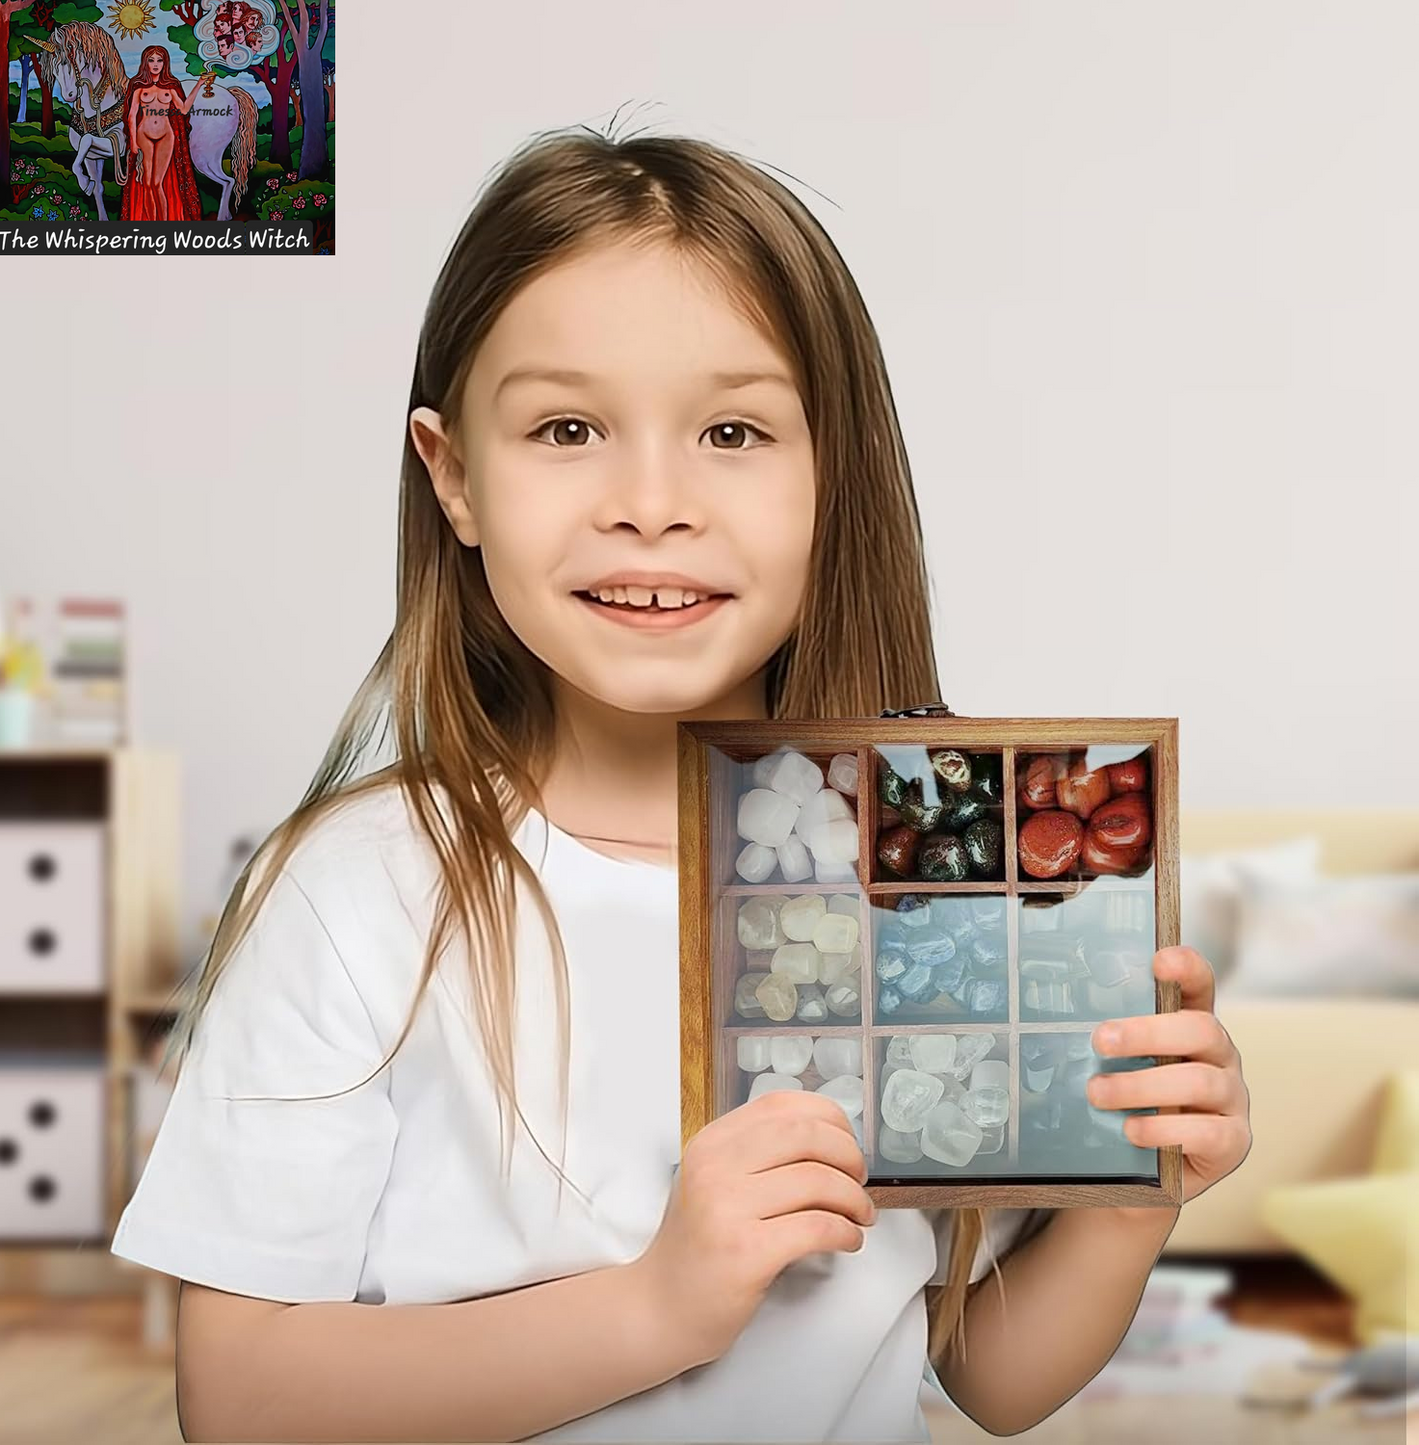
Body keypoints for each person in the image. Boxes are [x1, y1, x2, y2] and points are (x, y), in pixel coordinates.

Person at [108, 128, 1252, 1444]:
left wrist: (1131, 1189)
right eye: (567, 427)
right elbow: (240, 1401)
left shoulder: (927, 873)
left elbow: (986, 1379)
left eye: (732, 429)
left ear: (834, 477)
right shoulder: (351, 891)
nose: (651, 503)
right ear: (455, 474)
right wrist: (655, 1306)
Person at [121, 45, 203, 222]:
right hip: (144, 134)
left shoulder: (171, 85)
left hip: (166, 135)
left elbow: (183, 109)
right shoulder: (138, 86)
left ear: (165, 63)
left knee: (157, 183)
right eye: (151, 60)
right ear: (145, 63)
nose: (155, 64)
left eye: (160, 60)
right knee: (148, 183)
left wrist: (199, 85)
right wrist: (133, 142)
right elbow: (132, 115)